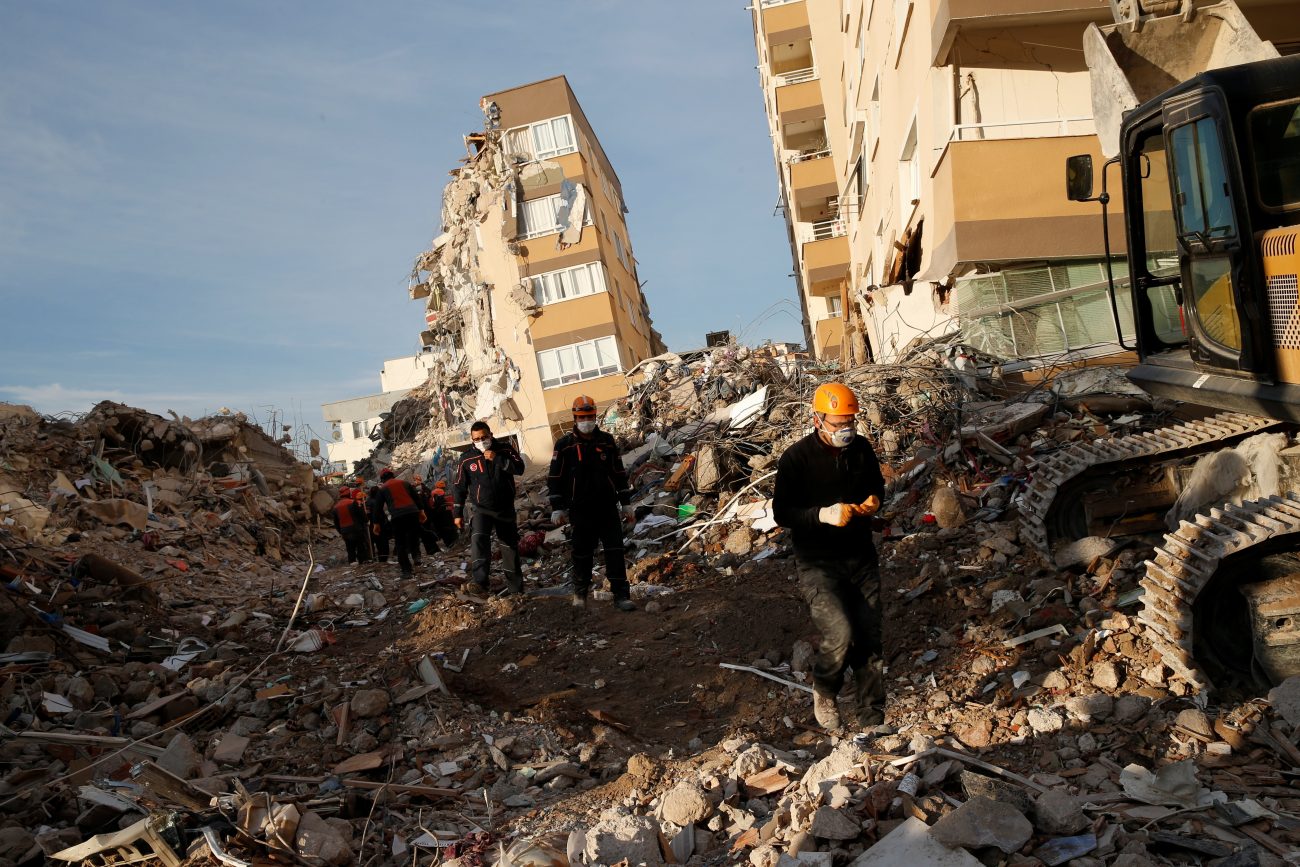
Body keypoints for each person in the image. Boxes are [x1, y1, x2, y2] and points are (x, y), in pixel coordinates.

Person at [773, 382, 886, 731]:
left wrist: (873, 502)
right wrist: (821, 515)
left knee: (869, 636)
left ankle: (873, 718)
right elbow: (781, 512)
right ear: (817, 419)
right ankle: (824, 688)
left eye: (850, 421)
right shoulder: (796, 459)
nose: (845, 430)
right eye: (838, 424)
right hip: (818, 563)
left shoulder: (862, 450)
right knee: (839, 631)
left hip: (860, 557)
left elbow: (877, 486)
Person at [547, 395, 637, 611]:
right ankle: (580, 593)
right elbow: (554, 478)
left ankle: (621, 595)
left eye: (590, 416)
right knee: (582, 552)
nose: (587, 420)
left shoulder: (606, 441)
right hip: (580, 509)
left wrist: (626, 503)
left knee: (615, 550)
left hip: (607, 507)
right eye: (582, 417)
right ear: (575, 418)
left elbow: (618, 472)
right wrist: (557, 507)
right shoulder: (565, 446)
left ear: (595, 416)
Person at [452, 422, 525, 596]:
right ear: (472, 439)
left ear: (491, 435)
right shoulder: (466, 458)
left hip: (504, 508)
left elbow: (520, 468)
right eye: (477, 439)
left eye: (484, 437)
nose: (481, 441)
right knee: (478, 540)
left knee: (509, 547)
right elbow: (459, 486)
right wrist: (457, 513)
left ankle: (516, 590)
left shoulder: (505, 450)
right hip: (481, 509)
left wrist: (498, 459)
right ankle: (480, 583)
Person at [375, 468, 425, 577]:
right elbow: (416, 498)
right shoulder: (405, 483)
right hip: (412, 513)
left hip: (398, 516)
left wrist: (376, 523)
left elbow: (377, 508)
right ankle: (416, 556)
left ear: (383, 479)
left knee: (400, 544)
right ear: (392, 475)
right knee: (414, 536)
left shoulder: (383, 489)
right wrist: (421, 511)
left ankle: (407, 571)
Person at [332, 487, 370, 564]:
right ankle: (362, 562)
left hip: (345, 531)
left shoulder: (335, 507)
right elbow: (362, 515)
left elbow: (336, 523)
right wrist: (366, 521)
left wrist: (341, 532)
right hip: (356, 529)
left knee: (350, 549)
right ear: (349, 493)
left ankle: (352, 563)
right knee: (360, 547)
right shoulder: (353, 503)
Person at [412, 474, 442, 556]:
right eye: (416, 479)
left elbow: (428, 500)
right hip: (423, 514)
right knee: (426, 532)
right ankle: (432, 550)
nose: (417, 481)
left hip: (426, 514)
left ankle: (433, 549)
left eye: (417, 479)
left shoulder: (424, 489)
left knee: (427, 531)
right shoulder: (416, 490)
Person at [365, 482, 391, 563]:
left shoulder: (367, 501)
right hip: (379, 525)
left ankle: (375, 558)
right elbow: (379, 514)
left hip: (370, 525)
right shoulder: (377, 502)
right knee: (382, 543)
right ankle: (383, 559)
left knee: (374, 543)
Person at [429, 479, 459, 546]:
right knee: (450, 527)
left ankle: (448, 543)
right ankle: (454, 542)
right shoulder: (440, 492)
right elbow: (441, 502)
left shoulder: (432, 493)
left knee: (443, 529)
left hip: (436, 513)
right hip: (444, 513)